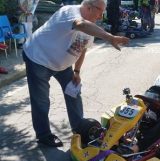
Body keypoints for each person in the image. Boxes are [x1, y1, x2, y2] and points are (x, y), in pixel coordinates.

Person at [22, 0, 129, 147]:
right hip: (38, 58)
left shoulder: (91, 27)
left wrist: (77, 72)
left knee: (73, 92)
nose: (100, 16)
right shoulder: (69, 12)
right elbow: (81, 25)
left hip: (62, 65)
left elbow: (82, 50)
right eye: (100, 12)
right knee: (41, 101)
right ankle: (44, 135)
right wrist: (110, 37)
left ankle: (80, 130)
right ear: (89, 7)